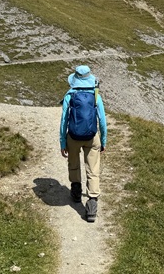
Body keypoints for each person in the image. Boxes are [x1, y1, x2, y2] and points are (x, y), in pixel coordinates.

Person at [59, 64, 107, 222]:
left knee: (73, 163)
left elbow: (64, 121)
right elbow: (102, 121)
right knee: (93, 169)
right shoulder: (96, 95)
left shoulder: (70, 95)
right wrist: (103, 141)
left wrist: (63, 142)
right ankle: (92, 205)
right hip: (92, 137)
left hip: (73, 137)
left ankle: (76, 192)